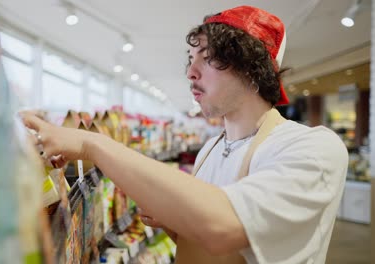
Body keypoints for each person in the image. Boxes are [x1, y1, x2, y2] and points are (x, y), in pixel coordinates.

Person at [21, 5, 348, 264]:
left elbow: (225, 227)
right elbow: (206, 248)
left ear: (252, 69)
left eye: (208, 60)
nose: (190, 73)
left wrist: (90, 143)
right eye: (191, 60)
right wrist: (173, 226)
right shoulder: (209, 149)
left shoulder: (312, 148)